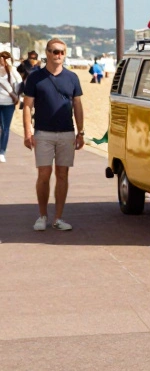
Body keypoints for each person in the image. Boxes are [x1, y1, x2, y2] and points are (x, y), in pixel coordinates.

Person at [22, 40, 83, 230]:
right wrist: (27, 132)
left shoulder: (72, 77)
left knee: (63, 174)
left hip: (67, 132)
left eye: (62, 52)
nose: (59, 55)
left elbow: (78, 105)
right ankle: (42, 216)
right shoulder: (35, 78)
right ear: (47, 53)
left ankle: (58, 218)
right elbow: (27, 106)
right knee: (44, 174)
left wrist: (80, 132)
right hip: (43, 133)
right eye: (55, 52)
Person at [0, 51, 20, 162]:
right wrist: (12, 93)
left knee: (5, 128)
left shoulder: (12, 71)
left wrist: (11, 68)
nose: (3, 60)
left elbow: (19, 81)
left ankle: (2, 151)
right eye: (2, 58)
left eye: (6, 58)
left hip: (8, 104)